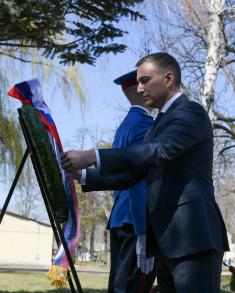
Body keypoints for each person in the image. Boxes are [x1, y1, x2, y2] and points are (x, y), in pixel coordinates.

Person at [61, 52, 229, 293]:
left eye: (145, 80)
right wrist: (85, 175)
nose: (139, 89)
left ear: (169, 78)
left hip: (193, 238)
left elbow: (158, 151)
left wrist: (92, 155)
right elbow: (133, 174)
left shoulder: (191, 113)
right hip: (164, 241)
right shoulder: (157, 125)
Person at [81, 70, 157, 292]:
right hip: (136, 218)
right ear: (142, 91)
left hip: (121, 217)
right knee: (134, 286)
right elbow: (137, 179)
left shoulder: (127, 124)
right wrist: (144, 230)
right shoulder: (145, 126)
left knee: (120, 285)